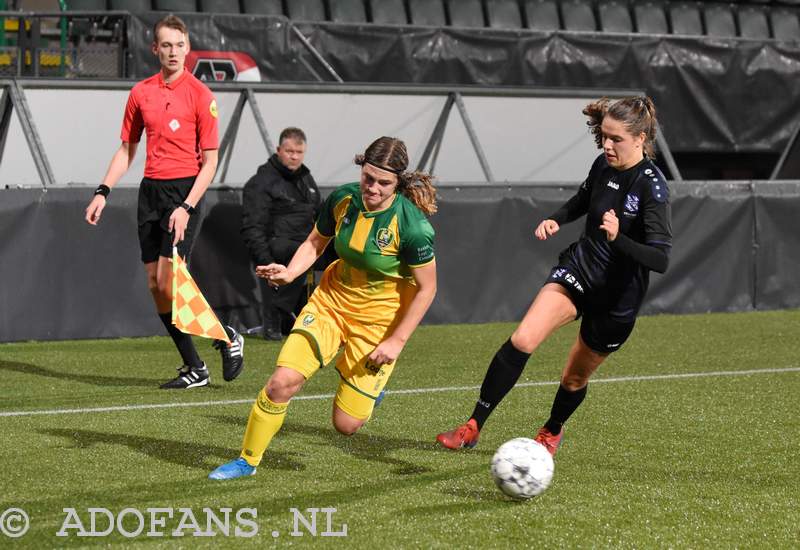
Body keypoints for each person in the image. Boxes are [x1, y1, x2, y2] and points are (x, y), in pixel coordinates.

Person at [437, 96, 672, 456]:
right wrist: (556, 219)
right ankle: (472, 426)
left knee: (574, 378)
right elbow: (582, 200)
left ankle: (551, 431)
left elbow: (660, 259)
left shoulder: (652, 187)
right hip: (579, 270)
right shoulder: (602, 165)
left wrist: (618, 238)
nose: (606, 145)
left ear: (640, 138)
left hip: (617, 299)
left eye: (616, 139)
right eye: (604, 137)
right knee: (522, 339)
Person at [208, 136, 438, 480]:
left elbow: (427, 288)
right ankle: (247, 461)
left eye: (383, 183)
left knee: (346, 425)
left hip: (377, 323)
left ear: (398, 183)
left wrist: (396, 342)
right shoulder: (344, 198)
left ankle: (370, 392)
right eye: (368, 178)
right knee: (281, 382)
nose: (372, 188)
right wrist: (288, 273)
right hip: (331, 302)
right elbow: (316, 242)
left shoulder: (413, 227)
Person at [84, 15, 244, 389]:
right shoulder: (141, 93)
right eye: (166, 45)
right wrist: (102, 191)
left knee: (171, 280)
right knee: (156, 285)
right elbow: (127, 150)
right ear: (155, 49)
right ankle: (195, 368)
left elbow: (211, 163)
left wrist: (186, 207)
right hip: (151, 194)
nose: (173, 52)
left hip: (185, 191)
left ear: (188, 48)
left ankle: (226, 337)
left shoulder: (202, 95)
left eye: (179, 45)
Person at [241, 127, 322, 341]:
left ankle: (333, 319)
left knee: (346, 252)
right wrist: (266, 261)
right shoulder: (261, 182)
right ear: (279, 150)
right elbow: (253, 227)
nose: (294, 156)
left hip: (307, 242)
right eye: (289, 151)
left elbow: (319, 213)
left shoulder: (306, 179)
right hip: (278, 244)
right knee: (300, 252)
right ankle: (276, 312)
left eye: (299, 152)